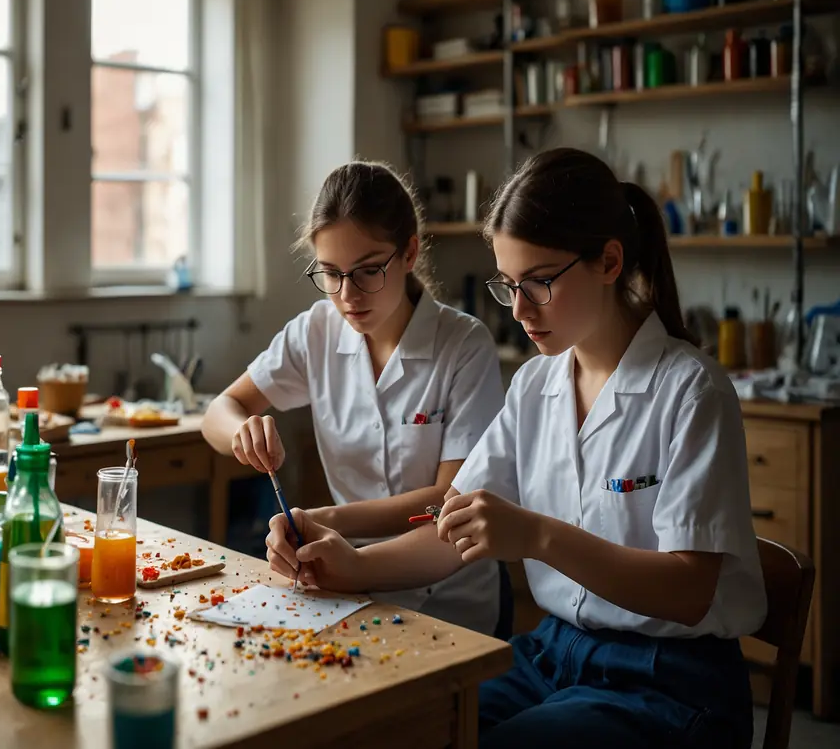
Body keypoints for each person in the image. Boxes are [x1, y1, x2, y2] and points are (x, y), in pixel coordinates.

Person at [265, 147, 766, 748]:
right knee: (406, 724)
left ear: (609, 261)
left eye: (540, 283)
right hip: (554, 655)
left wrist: (536, 535)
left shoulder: (691, 391)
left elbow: (688, 593)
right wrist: (353, 562)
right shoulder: (536, 385)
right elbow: (452, 524)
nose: (521, 310)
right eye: (508, 285)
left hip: (668, 682)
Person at [202, 160, 506, 635]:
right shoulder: (317, 332)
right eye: (330, 273)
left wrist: (324, 520)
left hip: (448, 593)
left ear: (409, 252)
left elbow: (447, 498)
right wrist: (243, 431)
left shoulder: (464, 345)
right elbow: (218, 411)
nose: (347, 295)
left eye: (367, 271)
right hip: (346, 584)